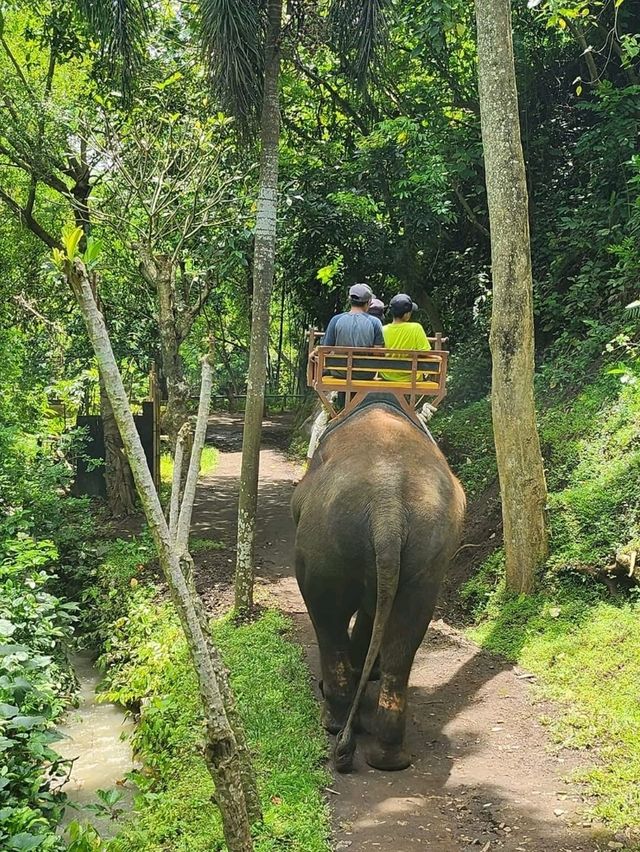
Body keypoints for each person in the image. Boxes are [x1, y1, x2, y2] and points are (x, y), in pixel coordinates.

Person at [379, 293, 431, 382]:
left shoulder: (382, 330)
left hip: (387, 377)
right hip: (411, 378)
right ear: (406, 314)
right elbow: (425, 352)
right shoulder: (416, 328)